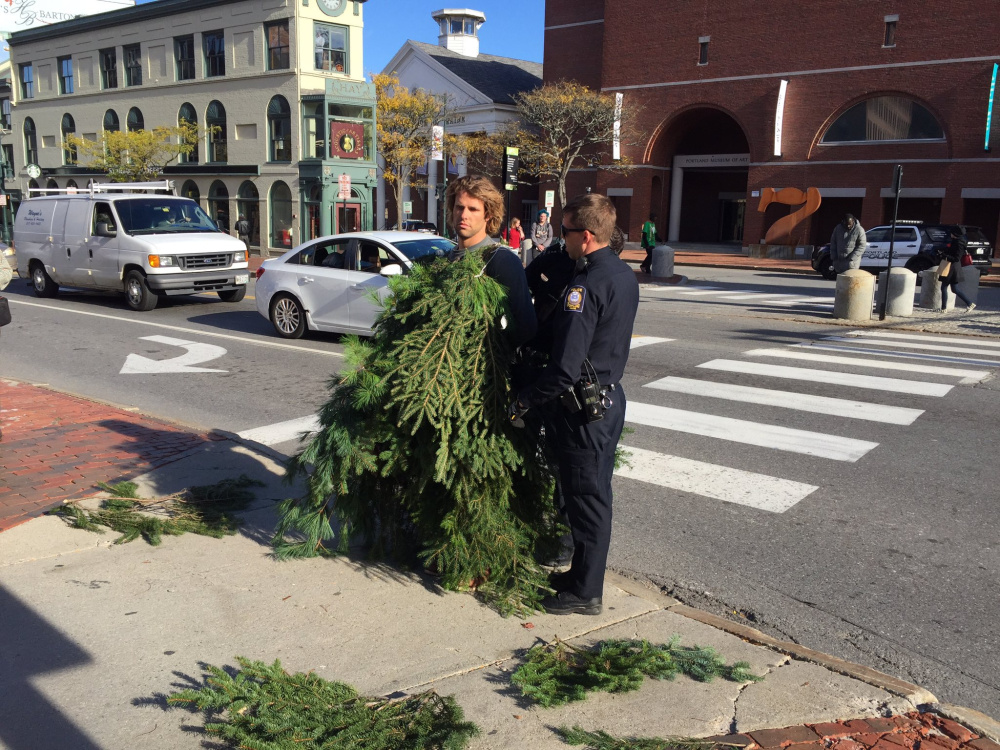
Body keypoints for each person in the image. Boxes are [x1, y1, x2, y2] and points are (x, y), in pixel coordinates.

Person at [513, 193, 640, 616]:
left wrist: (523, 400)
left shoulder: (583, 288)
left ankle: (586, 594)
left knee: (587, 499)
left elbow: (564, 370)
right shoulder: (622, 275)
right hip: (608, 400)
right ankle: (578, 576)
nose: (559, 240)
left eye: (565, 232)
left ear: (585, 236)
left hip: (583, 410)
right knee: (591, 494)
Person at [445, 175, 537, 347]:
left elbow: (526, 327)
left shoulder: (502, 261)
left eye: (473, 209)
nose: (464, 215)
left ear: (488, 215)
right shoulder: (444, 260)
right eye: (459, 207)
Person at [938, 228, 976, 312]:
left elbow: (956, 258)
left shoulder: (959, 243)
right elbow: (951, 251)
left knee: (944, 286)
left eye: (952, 233)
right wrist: (943, 251)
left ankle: (943, 308)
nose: (950, 234)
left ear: (955, 234)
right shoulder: (955, 241)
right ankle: (970, 303)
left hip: (952, 267)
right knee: (955, 289)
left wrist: (945, 256)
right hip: (953, 267)